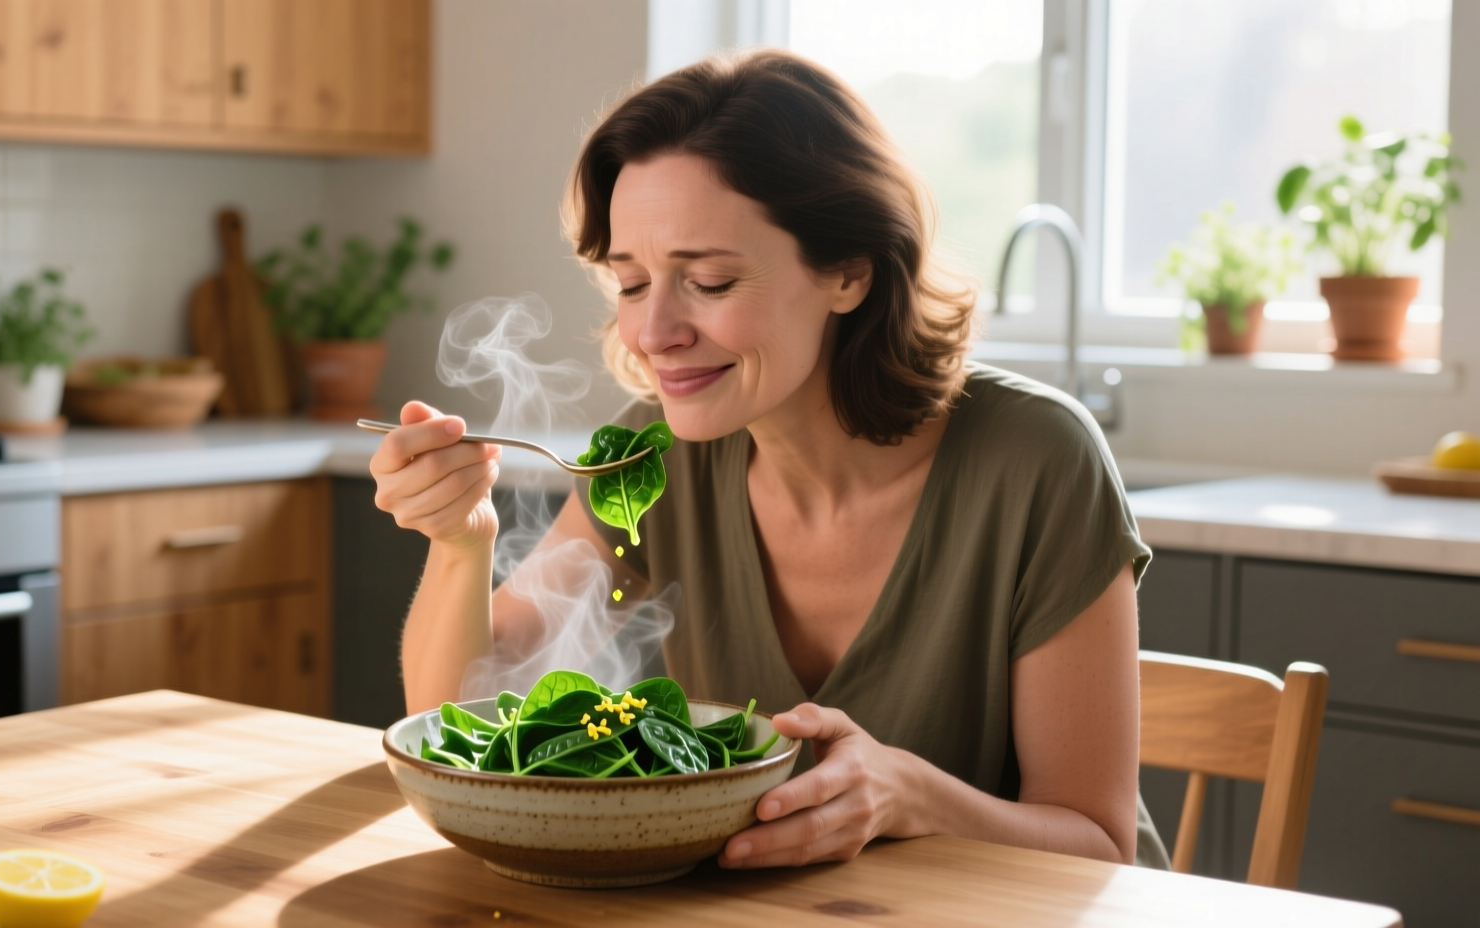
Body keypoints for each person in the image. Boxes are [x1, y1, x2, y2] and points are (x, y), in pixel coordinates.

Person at [370, 50, 1168, 870]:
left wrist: (911, 795)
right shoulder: (659, 454)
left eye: (708, 281)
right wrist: (462, 542)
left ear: (849, 272)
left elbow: (1101, 852)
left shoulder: (1036, 459)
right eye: (633, 283)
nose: (652, 334)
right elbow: (455, 718)